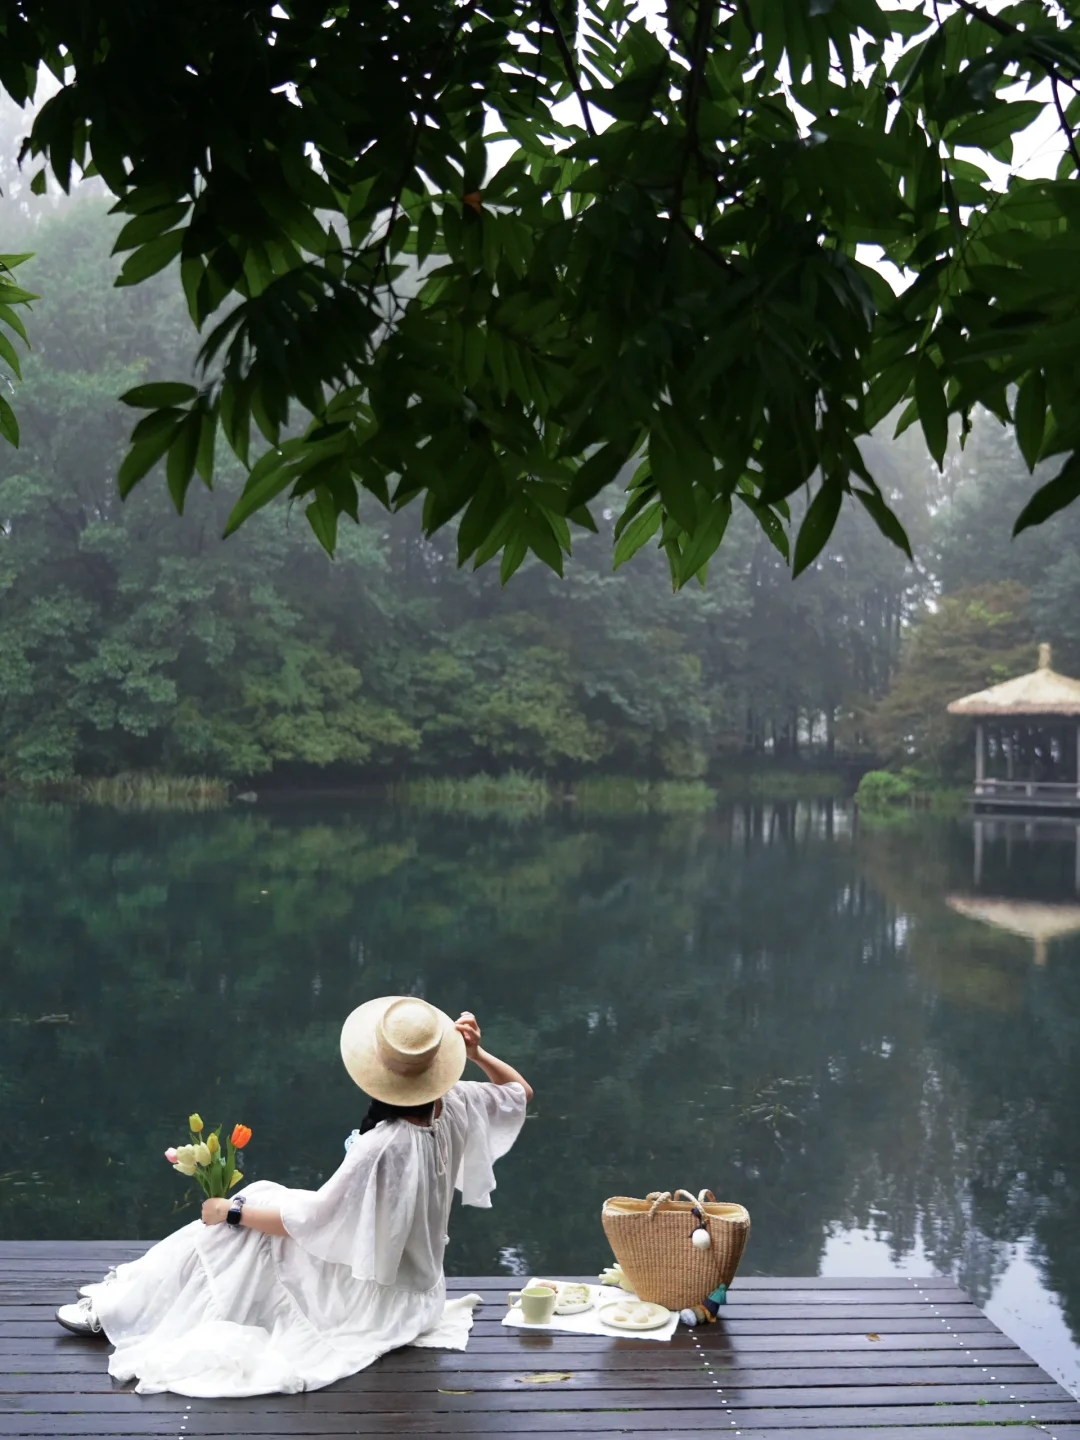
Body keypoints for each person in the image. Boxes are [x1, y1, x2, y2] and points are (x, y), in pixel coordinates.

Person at [55, 1000, 532, 1397]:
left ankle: (120, 1307)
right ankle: (132, 1294)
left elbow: (312, 1220)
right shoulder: (456, 1104)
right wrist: (478, 1054)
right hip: (422, 1295)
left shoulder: (382, 1144)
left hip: (377, 1302)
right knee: (259, 1206)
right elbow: (519, 1091)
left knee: (243, 1217)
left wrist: (232, 1211)